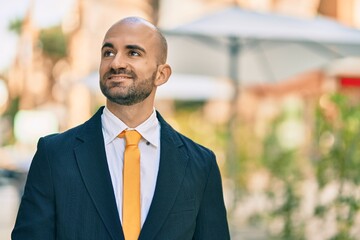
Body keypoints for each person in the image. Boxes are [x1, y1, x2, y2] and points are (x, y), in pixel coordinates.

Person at [12, 16, 230, 240]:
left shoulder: (200, 165)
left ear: (161, 74)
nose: (116, 63)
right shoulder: (54, 154)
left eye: (133, 53)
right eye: (108, 52)